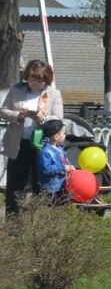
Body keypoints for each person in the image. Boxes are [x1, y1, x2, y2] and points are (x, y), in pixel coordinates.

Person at [2, 59, 63, 215]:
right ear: (27, 76)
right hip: (18, 143)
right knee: (15, 185)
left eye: (40, 79)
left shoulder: (53, 94)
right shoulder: (16, 90)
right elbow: (3, 111)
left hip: (41, 146)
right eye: (33, 78)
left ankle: (39, 222)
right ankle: (14, 226)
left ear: (46, 80)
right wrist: (19, 115)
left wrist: (42, 118)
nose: (36, 82)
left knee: (40, 184)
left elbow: (58, 119)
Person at [35, 118, 73, 203]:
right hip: (52, 189)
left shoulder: (60, 149)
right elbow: (47, 169)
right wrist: (64, 168)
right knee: (52, 209)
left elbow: (65, 162)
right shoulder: (45, 151)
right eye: (64, 133)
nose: (65, 135)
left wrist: (71, 167)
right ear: (56, 136)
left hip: (63, 186)